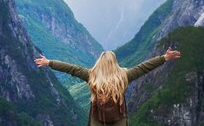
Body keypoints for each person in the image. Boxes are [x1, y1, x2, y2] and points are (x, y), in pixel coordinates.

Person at [34, 48, 181, 125]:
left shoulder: (91, 76)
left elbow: (71, 68)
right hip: (119, 119)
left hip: (97, 120)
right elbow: (144, 67)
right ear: (115, 63)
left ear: (99, 63)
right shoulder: (124, 77)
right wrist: (164, 58)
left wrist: (49, 62)